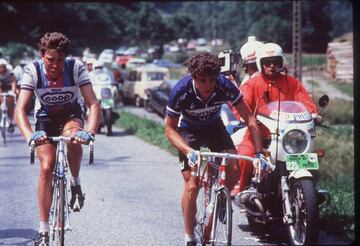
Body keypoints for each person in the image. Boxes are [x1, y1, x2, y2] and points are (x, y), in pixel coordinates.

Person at [165, 52, 266, 246]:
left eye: (212, 80)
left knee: (235, 168)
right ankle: (189, 236)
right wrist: (188, 151)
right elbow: (169, 130)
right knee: (192, 185)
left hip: (214, 127)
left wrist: (259, 153)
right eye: (202, 80)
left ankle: (220, 199)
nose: (208, 86)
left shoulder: (224, 85)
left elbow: (250, 119)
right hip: (188, 131)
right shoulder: (181, 91)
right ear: (193, 77)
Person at [14, 32, 100, 246]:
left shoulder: (75, 67)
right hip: (45, 118)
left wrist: (89, 132)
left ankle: (76, 183)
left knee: (73, 139)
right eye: (50, 59)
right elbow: (19, 110)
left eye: (60, 59)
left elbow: (93, 104)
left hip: (71, 115)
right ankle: (43, 230)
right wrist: (30, 137)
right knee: (46, 167)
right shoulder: (32, 71)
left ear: (65, 57)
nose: (55, 65)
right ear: (42, 55)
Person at [231, 42, 320, 197]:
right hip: (259, 135)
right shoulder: (252, 84)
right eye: (267, 63)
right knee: (245, 155)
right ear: (260, 64)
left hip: (288, 136)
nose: (272, 66)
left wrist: (313, 114)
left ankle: (309, 189)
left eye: (276, 62)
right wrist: (245, 117)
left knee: (309, 156)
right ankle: (243, 191)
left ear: (282, 62)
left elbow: (305, 102)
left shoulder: (292, 82)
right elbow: (241, 105)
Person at [0, 58, 17, 132]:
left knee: (14, 95)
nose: (1, 70)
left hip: (9, 86)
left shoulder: (9, 69)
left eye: (3, 68)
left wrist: (13, 91)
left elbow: (13, 81)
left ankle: (11, 119)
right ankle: (2, 110)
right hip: (1, 86)